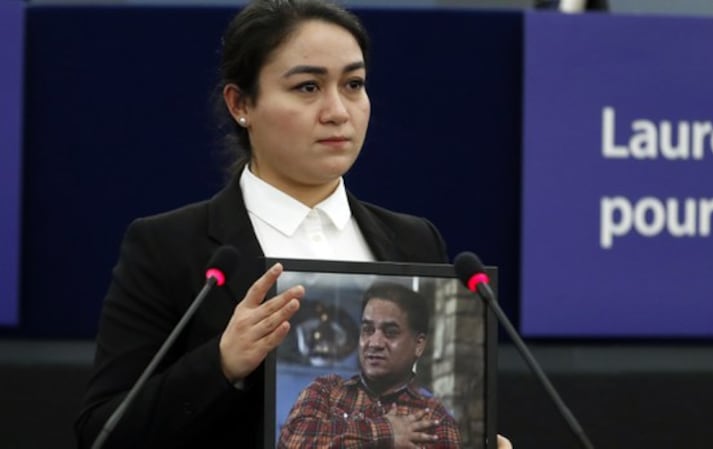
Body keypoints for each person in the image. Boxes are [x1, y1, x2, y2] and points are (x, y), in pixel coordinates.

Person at [74, 1, 512, 448]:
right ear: (241, 103)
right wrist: (221, 364)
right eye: (307, 87)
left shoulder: (414, 240)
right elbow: (101, 433)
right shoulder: (170, 247)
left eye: (354, 84)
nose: (338, 111)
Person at [278, 282, 462, 448]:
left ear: (418, 344)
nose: (374, 343)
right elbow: (292, 441)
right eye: (368, 330)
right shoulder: (326, 391)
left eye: (390, 332)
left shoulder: (434, 420)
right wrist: (386, 432)